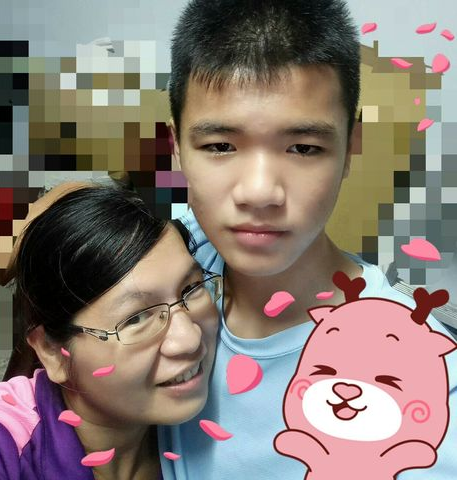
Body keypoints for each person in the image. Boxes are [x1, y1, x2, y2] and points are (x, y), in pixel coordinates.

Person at [157, 0, 457, 479]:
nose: (259, 192)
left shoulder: (424, 375)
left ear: (350, 148)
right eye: (220, 146)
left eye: (303, 148)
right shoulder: (170, 265)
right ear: (177, 149)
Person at [0, 186, 222, 480]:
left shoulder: (216, 414)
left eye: (191, 288)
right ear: (52, 351)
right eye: (136, 318)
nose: (190, 339)